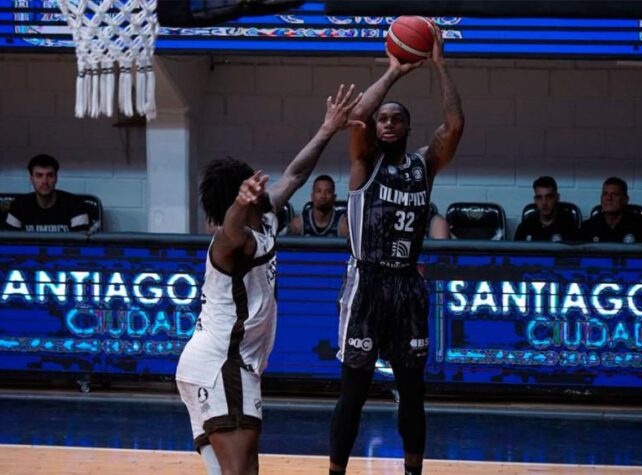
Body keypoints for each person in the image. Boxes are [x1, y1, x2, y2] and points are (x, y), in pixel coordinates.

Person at [175, 84, 363, 475]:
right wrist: (238, 205)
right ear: (238, 197)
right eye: (250, 184)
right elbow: (229, 231)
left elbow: (296, 173)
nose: (261, 185)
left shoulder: (266, 217)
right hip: (222, 363)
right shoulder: (232, 241)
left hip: (219, 365)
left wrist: (328, 128)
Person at [329, 24, 463, 475]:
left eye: (396, 118)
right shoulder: (364, 161)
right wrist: (393, 71)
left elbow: (455, 126)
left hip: (406, 283)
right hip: (367, 282)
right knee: (353, 393)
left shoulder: (424, 165)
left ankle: (412, 470)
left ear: (407, 127)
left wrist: (440, 65)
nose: (387, 123)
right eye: (382, 119)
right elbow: (357, 117)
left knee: (413, 391)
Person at [5, 154, 89, 232]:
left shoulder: (76, 204)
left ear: (56, 178)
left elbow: (81, 241)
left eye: (50, 175)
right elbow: (10, 241)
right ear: (31, 179)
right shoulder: (18, 205)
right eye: (39, 175)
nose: (44, 181)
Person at [579, 177, 642, 244]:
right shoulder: (588, 227)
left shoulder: (638, 226)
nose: (608, 198)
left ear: (625, 200)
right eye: (605, 194)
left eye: (615, 194)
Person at [514, 176, 577, 242]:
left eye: (549, 197)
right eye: (539, 197)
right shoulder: (525, 226)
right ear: (535, 200)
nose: (544, 202)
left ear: (557, 198)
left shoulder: (569, 226)